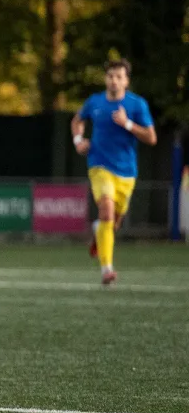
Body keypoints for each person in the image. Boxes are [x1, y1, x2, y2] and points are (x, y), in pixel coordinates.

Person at [71, 58, 156, 286]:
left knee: (114, 222)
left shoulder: (137, 105)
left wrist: (127, 124)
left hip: (127, 172)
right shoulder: (95, 102)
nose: (114, 81)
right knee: (106, 211)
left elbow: (151, 137)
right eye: (110, 76)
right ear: (105, 79)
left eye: (119, 77)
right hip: (99, 165)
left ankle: (100, 231)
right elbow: (77, 120)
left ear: (126, 81)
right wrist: (79, 140)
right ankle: (106, 269)